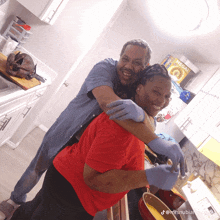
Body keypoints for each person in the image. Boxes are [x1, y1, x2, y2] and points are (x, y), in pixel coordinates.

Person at [0, 39, 185, 219]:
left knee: (46, 197)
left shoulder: (136, 86)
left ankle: (24, 210)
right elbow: (108, 103)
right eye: (125, 59)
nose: (128, 66)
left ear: (145, 66)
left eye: (137, 63)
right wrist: (155, 143)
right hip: (69, 129)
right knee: (38, 167)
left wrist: (143, 117)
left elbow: (148, 119)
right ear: (119, 58)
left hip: (83, 147)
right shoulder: (105, 68)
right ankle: (14, 200)